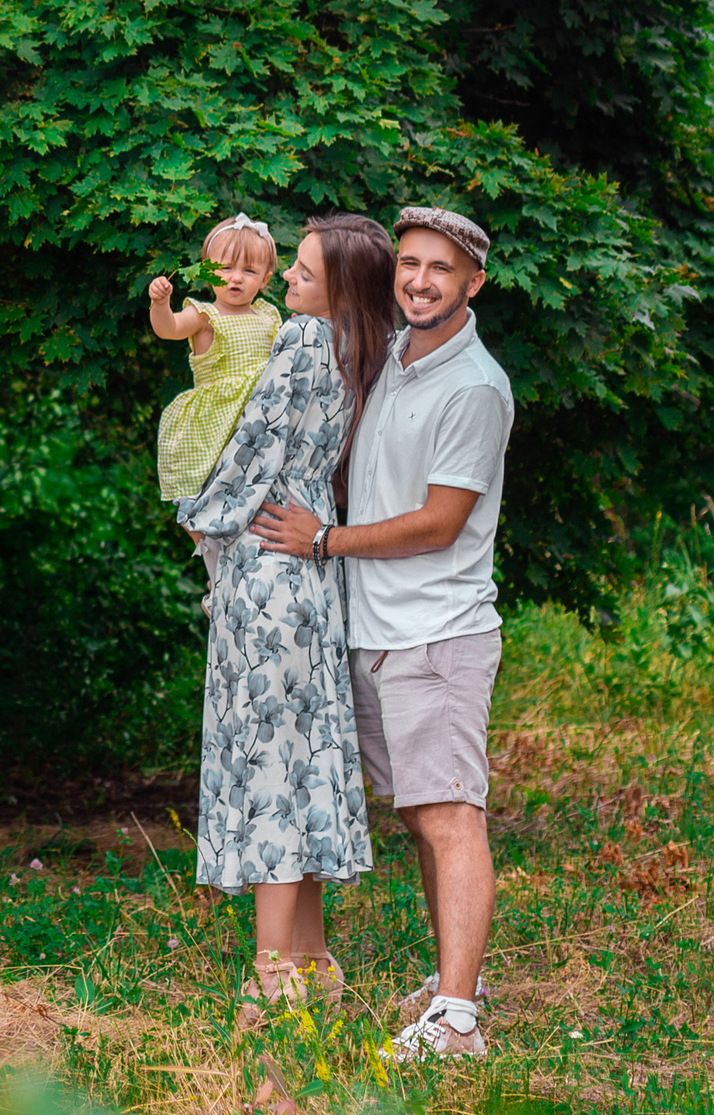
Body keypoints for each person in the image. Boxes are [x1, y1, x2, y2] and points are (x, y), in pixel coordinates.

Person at [252, 206, 513, 1061]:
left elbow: (440, 521)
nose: (421, 280)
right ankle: (455, 982)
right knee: (423, 816)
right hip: (379, 630)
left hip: (437, 632)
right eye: (410, 263)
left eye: (442, 268)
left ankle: (459, 1020)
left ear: (473, 283)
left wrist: (323, 540)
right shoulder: (399, 356)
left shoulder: (473, 385)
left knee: (451, 817)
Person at [175, 212, 395, 1022]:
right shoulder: (360, 349)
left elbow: (253, 448)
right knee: (298, 761)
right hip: (309, 577)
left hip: (269, 565)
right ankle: (311, 960)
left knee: (269, 766)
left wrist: (201, 515)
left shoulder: (305, 341)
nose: (290, 280)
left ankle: (274, 981)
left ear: (339, 285)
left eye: (304, 271)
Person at [146, 213, 284, 505]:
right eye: (225, 268)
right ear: (208, 272)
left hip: (259, 417)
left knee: (256, 489)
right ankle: (203, 540)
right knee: (209, 489)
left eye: (249, 271)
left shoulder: (268, 316)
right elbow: (168, 328)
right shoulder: (204, 315)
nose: (236, 277)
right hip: (217, 420)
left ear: (264, 280)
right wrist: (160, 304)